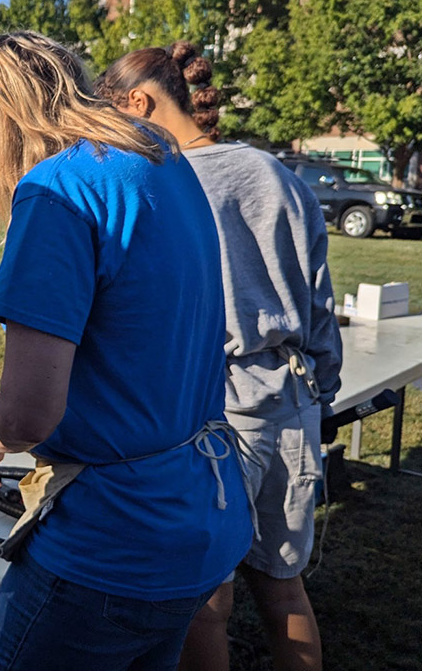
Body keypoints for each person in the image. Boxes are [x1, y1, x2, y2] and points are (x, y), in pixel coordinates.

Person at [0, 32, 254, 671]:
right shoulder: (159, 157)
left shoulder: (56, 190)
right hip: (200, 507)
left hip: (112, 541)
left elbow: (28, 413)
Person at [98, 41, 342, 671]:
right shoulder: (279, 175)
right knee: (283, 584)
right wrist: (324, 393)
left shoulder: (163, 182)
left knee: (205, 598)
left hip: (211, 415)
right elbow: (320, 305)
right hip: (293, 403)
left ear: (139, 102)